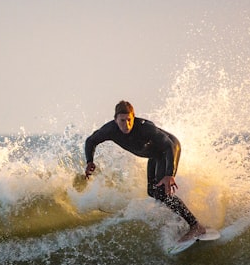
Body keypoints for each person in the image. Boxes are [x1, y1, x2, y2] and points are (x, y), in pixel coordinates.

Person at [84, 100, 207, 242]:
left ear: (133, 117)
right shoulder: (109, 130)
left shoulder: (145, 127)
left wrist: (169, 175)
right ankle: (179, 219)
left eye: (129, 120)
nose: (126, 124)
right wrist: (89, 161)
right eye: (122, 121)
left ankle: (196, 225)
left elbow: (168, 145)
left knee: (162, 192)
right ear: (115, 120)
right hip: (154, 155)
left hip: (168, 150)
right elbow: (90, 141)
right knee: (152, 191)